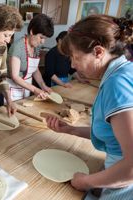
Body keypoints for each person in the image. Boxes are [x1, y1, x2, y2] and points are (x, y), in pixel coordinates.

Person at [45, 15, 133, 199]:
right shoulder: (122, 71)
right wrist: (70, 129)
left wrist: (85, 182)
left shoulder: (117, 84)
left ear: (98, 52)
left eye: (75, 57)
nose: (72, 64)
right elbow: (114, 132)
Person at [7, 14, 53, 101]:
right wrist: (35, 89)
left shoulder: (36, 48)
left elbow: (35, 70)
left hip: (27, 87)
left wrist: (43, 86)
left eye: (45, 38)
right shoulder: (17, 47)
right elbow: (15, 76)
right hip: (12, 90)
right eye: (41, 37)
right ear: (32, 31)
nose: (43, 42)